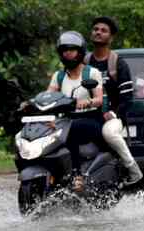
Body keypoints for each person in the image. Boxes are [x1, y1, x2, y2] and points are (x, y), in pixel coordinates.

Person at [86, 16, 143, 185]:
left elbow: (127, 98)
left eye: (103, 30)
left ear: (110, 38)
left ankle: (133, 169)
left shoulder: (118, 63)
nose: (98, 32)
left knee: (109, 133)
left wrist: (114, 113)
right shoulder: (85, 61)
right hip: (88, 114)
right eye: (96, 29)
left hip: (113, 117)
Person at [46, 31, 105, 181]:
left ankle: (77, 175)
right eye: (64, 50)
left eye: (71, 50)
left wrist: (87, 102)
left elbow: (99, 99)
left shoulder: (92, 73)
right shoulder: (58, 76)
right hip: (67, 119)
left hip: (91, 119)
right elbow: (48, 96)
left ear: (80, 52)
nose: (68, 53)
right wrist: (31, 103)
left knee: (70, 130)